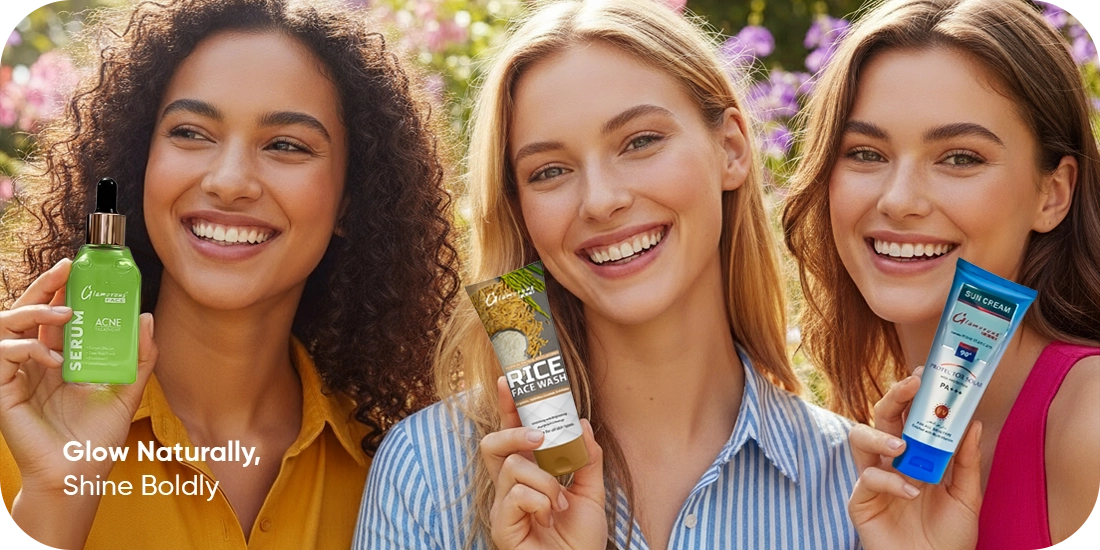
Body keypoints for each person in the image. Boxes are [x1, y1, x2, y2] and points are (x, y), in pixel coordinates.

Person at [356, 0, 859, 548]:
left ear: (732, 148)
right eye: (549, 171)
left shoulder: (855, 489)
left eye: (640, 141)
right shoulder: (429, 474)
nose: (600, 201)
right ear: (521, 209)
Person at [0, 0, 459, 546]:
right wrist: (56, 497)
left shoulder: (407, 476)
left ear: (351, 202)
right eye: (191, 133)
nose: (229, 180)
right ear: (138, 161)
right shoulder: (19, 425)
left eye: (286, 145)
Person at [783, 0, 1100, 547]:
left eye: (959, 158)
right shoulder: (872, 440)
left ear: (1053, 194)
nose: (900, 200)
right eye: (864, 152)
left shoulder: (1088, 425)